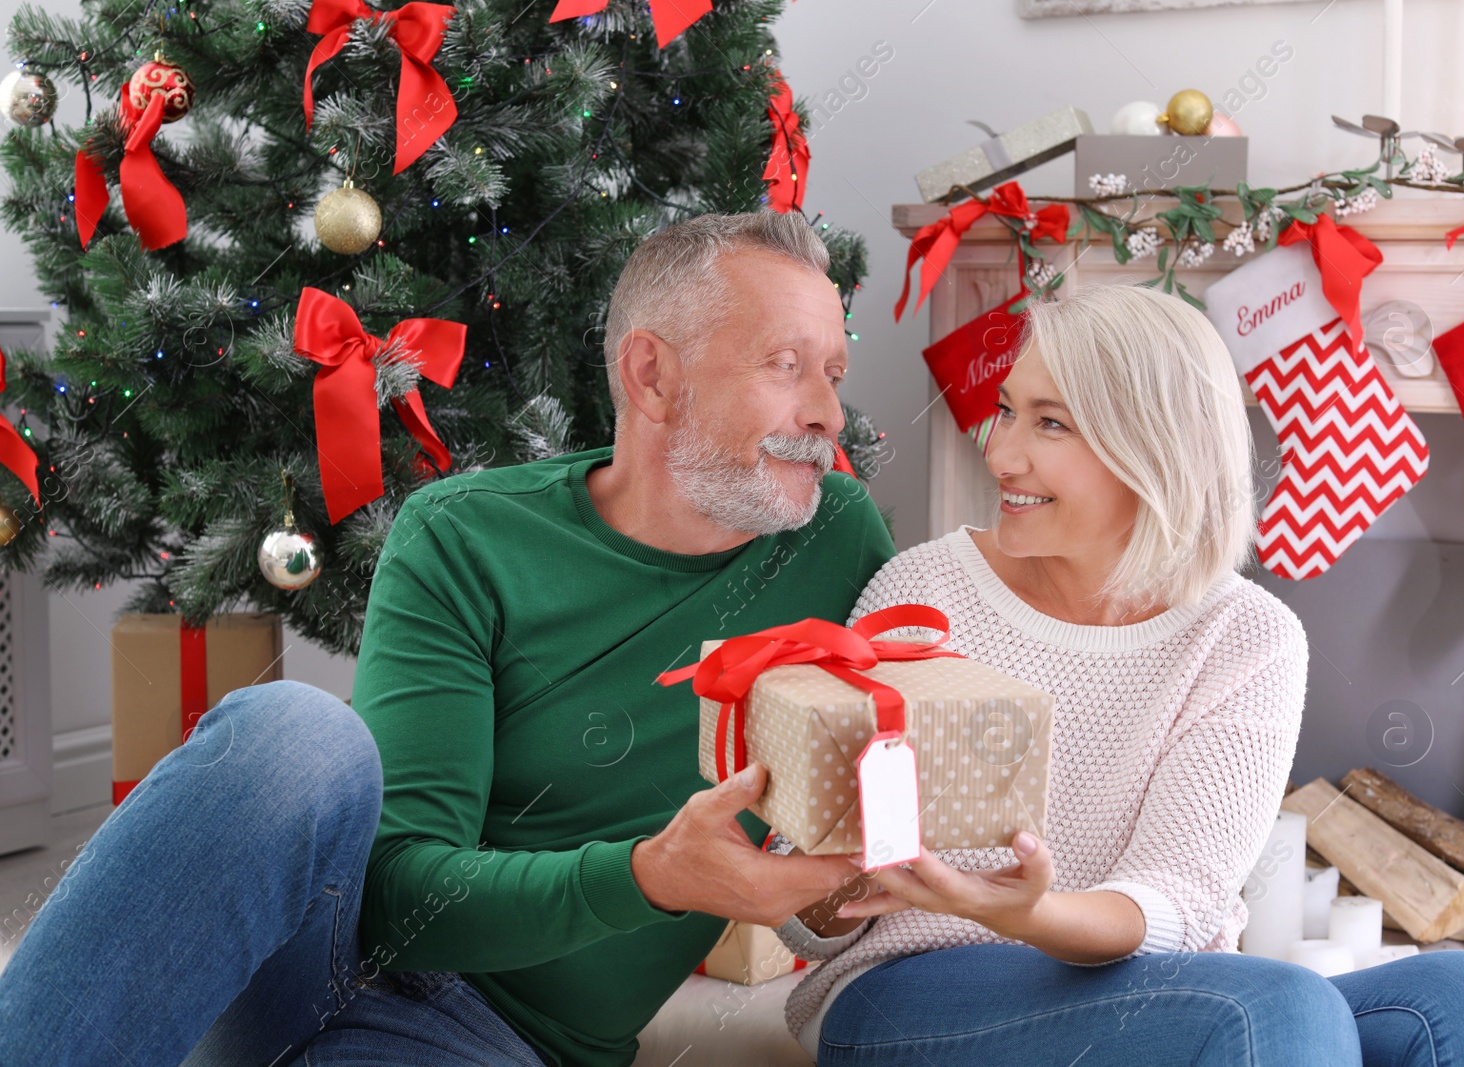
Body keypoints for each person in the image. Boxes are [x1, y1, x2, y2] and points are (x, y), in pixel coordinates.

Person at [0, 211, 887, 1066]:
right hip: (330, 963)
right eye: (785, 365)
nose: (828, 415)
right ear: (652, 375)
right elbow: (391, 895)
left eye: (834, 375)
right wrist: (648, 875)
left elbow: (861, 803)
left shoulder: (836, 535)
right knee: (295, 734)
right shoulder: (465, 537)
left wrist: (840, 898)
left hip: (503, 1040)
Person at [767, 285, 1464, 1066]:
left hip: (1149, 979)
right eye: (1009, 409)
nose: (1002, 453)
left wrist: (1034, 910)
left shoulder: (1247, 637)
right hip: (910, 989)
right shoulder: (928, 593)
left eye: (1051, 423)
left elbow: (1180, 902)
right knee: (1279, 1006)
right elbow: (804, 916)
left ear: (1152, 452)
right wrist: (834, 863)